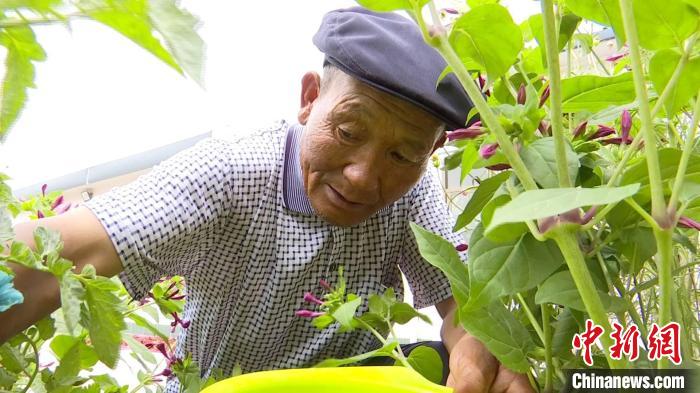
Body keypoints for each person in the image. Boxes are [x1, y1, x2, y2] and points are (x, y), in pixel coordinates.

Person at [1, 7, 532, 393]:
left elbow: (464, 300)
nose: (364, 177)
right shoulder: (231, 174)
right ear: (309, 100)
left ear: (432, 151)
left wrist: (478, 351)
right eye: (349, 131)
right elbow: (65, 254)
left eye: (402, 155)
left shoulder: (412, 195)